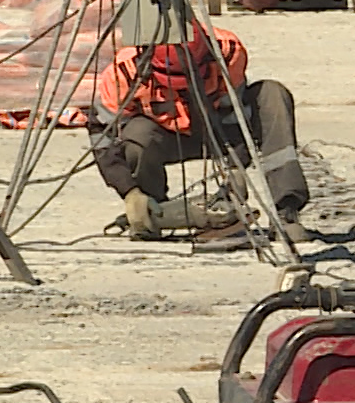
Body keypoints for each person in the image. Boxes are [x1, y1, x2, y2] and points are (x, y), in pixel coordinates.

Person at [89, 23, 309, 240]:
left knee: (272, 94)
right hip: (166, 136)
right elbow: (102, 137)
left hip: (218, 128)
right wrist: (129, 191)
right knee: (137, 135)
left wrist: (235, 169)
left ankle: (286, 212)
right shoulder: (123, 71)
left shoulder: (227, 51)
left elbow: (234, 112)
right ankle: (153, 212)